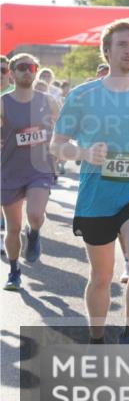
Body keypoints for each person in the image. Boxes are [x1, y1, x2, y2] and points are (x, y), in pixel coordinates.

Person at [50, 19, 129, 343]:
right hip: (97, 196)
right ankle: (97, 338)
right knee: (101, 276)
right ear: (106, 51)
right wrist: (84, 154)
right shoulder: (82, 95)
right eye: (122, 45)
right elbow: (56, 145)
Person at [2, 54, 59, 289]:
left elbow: (63, 128)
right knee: (12, 228)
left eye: (32, 67)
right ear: (12, 73)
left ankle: (34, 232)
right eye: (22, 67)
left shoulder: (49, 101)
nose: (27, 71)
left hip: (40, 168)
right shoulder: (3, 102)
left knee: (35, 215)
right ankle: (14, 270)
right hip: (10, 170)